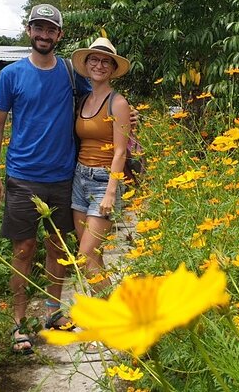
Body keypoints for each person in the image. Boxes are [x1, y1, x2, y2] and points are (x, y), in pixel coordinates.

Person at [0, 4, 92, 355]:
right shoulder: (12, 75)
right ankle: (18, 323)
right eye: (39, 28)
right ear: (28, 30)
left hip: (63, 176)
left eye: (51, 29)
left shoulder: (70, 73)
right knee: (22, 249)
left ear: (60, 35)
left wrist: (127, 114)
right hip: (22, 177)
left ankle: (52, 312)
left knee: (58, 248)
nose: (44, 35)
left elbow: (100, 102)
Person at [70, 38, 131, 296]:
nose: (99, 65)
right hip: (79, 179)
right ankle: (108, 318)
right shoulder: (83, 100)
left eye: (106, 61)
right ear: (86, 64)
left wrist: (110, 191)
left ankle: (109, 321)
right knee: (94, 257)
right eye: (94, 59)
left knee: (84, 257)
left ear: (113, 69)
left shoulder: (118, 103)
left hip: (104, 181)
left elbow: (120, 151)